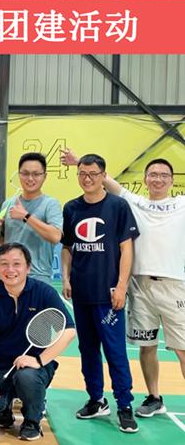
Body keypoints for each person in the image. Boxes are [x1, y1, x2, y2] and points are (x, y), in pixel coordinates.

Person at [62, 150, 185, 417]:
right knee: (146, 346)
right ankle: (154, 397)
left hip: (174, 285)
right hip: (140, 286)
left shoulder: (182, 204)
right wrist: (77, 162)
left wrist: (119, 286)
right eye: (153, 174)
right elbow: (103, 179)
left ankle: (125, 403)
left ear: (173, 180)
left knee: (182, 348)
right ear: (145, 178)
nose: (158, 179)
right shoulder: (133, 202)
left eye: (164, 175)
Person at [61, 153, 140, 433]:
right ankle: (96, 399)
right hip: (82, 295)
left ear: (103, 176)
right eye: (82, 173)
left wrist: (122, 286)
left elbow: (126, 249)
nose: (87, 179)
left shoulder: (118, 206)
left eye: (93, 174)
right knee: (88, 351)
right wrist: (66, 278)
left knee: (115, 352)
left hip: (109, 296)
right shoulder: (71, 208)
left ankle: (125, 406)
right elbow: (67, 248)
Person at [0, 243, 76, 440]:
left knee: (26, 377)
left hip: (34, 368)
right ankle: (4, 407)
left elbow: (69, 331)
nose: (10, 269)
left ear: (28, 267)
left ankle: (32, 418)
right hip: (1, 366)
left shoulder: (44, 293)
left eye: (16, 264)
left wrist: (38, 360)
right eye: (4, 263)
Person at [0, 152, 62, 285]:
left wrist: (26, 216)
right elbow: (4, 242)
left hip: (38, 277)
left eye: (36, 174)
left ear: (44, 176)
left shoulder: (51, 204)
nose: (30, 178)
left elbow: (55, 236)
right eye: (25, 173)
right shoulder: (8, 204)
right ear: (19, 174)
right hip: (9, 275)